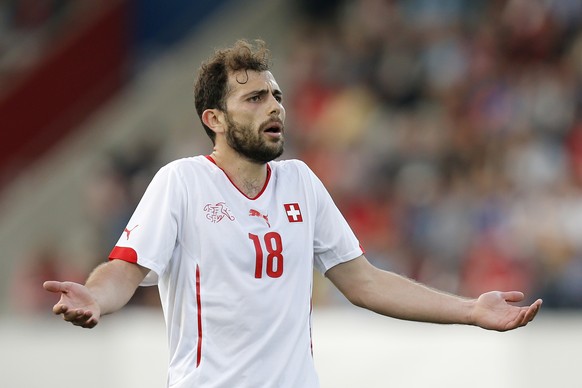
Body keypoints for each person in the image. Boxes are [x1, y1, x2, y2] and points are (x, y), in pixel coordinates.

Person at [43, 39, 542, 388]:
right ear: (213, 119)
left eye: (277, 96)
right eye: (255, 98)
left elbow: (365, 283)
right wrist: (96, 297)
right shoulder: (182, 182)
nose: (274, 107)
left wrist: (471, 310)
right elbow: (124, 270)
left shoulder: (300, 182)